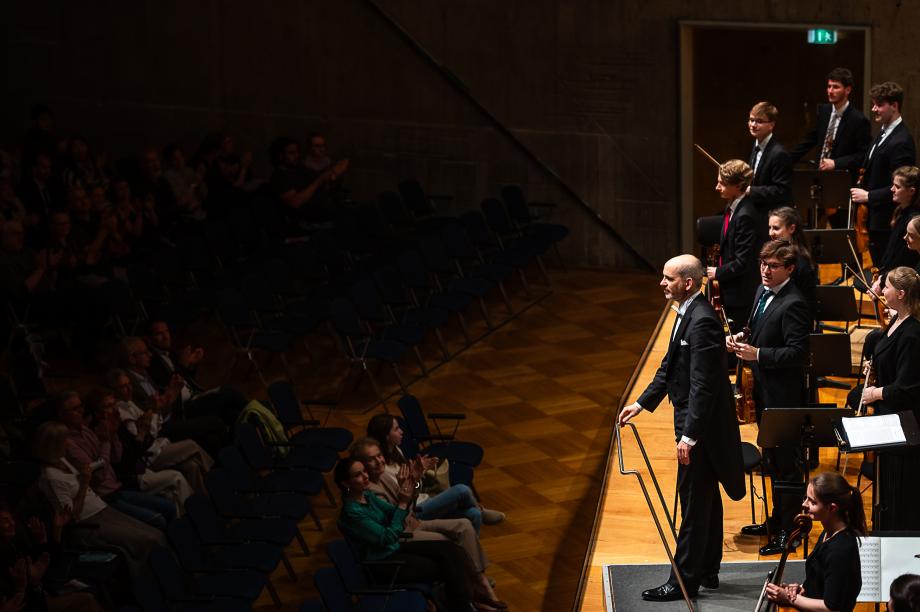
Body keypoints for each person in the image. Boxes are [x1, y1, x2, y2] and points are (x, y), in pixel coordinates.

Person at [619, 254, 745, 601]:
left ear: (687, 283)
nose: (662, 283)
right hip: (695, 423)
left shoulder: (701, 320)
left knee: (692, 503)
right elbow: (669, 367)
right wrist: (641, 403)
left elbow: (703, 386)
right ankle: (708, 569)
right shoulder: (687, 313)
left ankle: (683, 581)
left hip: (699, 428)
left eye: (668, 278)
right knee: (704, 498)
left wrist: (688, 436)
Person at [334, 457, 505, 612]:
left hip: (406, 528)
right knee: (449, 563)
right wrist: (403, 502)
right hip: (386, 558)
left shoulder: (368, 495)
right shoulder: (353, 511)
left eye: (364, 471)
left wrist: (413, 482)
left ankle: (475, 595)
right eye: (358, 475)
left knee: (453, 549)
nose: (365, 476)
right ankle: (467, 604)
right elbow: (389, 534)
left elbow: (406, 505)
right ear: (346, 484)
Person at [728, 241, 811, 555]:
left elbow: (798, 353)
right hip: (763, 393)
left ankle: (791, 533)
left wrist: (758, 353)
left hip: (784, 399)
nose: (765, 270)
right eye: (763, 264)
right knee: (772, 464)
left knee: (786, 467)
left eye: (773, 266)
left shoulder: (794, 303)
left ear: (789, 269)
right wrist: (742, 339)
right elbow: (756, 328)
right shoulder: (761, 292)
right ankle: (775, 521)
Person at [34, 421, 167, 577]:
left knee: (157, 535)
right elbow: (71, 517)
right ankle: (153, 583)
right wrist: (84, 483)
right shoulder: (51, 477)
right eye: (65, 439)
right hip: (89, 523)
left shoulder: (61, 460)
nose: (69, 442)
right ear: (54, 445)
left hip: (103, 509)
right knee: (147, 540)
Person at [859, 266, 920, 530]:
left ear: (901, 294)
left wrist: (874, 393)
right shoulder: (895, 322)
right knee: (885, 495)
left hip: (905, 428)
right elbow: (887, 360)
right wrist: (873, 369)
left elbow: (907, 389)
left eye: (887, 286)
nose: (881, 290)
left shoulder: (913, 335)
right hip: (888, 421)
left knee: (899, 499)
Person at [365, 413, 504, 530]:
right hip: (413, 512)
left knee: (474, 515)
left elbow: (418, 489)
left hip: (423, 498)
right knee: (462, 489)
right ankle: (482, 509)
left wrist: (419, 475)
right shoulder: (381, 471)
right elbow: (402, 500)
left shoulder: (397, 451)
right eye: (396, 429)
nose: (401, 431)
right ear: (386, 436)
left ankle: (469, 556)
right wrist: (413, 480)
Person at [765, 472, 864, 612]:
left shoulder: (841, 550)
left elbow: (831, 607)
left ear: (832, 508)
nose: (804, 504)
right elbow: (820, 580)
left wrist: (789, 598)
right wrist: (801, 589)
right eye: (806, 498)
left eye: (812, 502)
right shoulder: (827, 532)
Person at [789, 67, 871, 228]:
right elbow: (811, 138)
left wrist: (836, 163)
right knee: (811, 227)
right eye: (829, 86)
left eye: (836, 87)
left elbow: (863, 155)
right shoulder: (824, 111)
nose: (830, 91)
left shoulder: (858, 119)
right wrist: (786, 159)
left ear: (847, 90)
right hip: (819, 179)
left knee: (840, 228)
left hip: (840, 183)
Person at [850, 82, 917, 267]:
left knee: (887, 269)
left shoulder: (901, 140)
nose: (873, 109)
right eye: (873, 104)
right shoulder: (883, 133)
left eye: (879, 105)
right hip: (874, 219)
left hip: (887, 220)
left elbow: (902, 187)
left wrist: (869, 196)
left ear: (894, 106)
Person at [706, 159, 765, 337]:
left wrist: (718, 272)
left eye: (722, 184)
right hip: (731, 287)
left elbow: (743, 262)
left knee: (738, 338)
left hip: (740, 292)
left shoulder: (745, 215)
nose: (717, 187)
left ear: (739, 186)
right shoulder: (732, 207)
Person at [767, 207, 818, 321]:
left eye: (776, 228)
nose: (771, 233)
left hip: (792, 321)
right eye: (769, 228)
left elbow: (807, 305)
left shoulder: (800, 262)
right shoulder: (776, 254)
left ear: (791, 228)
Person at [745, 101, 793, 218]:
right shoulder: (756, 145)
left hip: (770, 215)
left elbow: (782, 190)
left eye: (759, 121)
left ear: (771, 125)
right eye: (751, 120)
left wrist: (751, 191)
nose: (753, 125)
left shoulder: (779, 154)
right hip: (755, 209)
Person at [877, 166, 920, 273]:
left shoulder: (912, 220)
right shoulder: (901, 211)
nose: (892, 189)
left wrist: (883, 281)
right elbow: (891, 252)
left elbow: (903, 259)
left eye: (897, 186)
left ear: (911, 191)